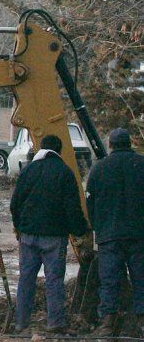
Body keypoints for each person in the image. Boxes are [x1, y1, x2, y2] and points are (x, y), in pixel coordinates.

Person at [10, 134, 89, 334]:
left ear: (41, 149)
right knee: (54, 279)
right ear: (59, 151)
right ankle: (55, 321)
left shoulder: (29, 170)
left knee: (26, 278)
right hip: (54, 236)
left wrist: (19, 226)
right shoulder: (65, 172)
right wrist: (80, 231)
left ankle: (21, 322)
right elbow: (72, 207)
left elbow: (15, 203)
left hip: (28, 234)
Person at [86, 128, 144, 336]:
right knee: (140, 277)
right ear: (129, 143)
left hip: (109, 235)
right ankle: (141, 322)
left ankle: (107, 324)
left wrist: (97, 227)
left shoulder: (100, 168)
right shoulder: (141, 165)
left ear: (110, 145)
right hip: (139, 234)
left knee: (109, 280)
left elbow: (90, 203)